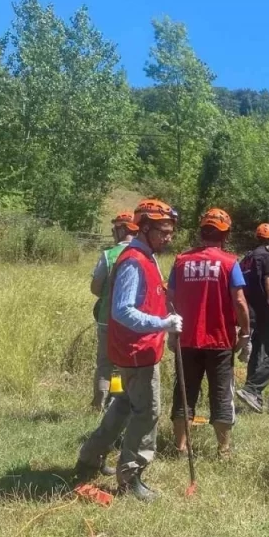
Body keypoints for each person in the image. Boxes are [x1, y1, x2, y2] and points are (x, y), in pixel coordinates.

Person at [75, 199, 182, 501]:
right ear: (145, 228)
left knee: (123, 406)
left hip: (137, 347)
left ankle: (88, 459)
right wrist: (163, 324)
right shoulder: (134, 260)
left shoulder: (146, 256)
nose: (169, 237)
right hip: (137, 351)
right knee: (147, 411)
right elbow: (123, 310)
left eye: (171, 231)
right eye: (163, 231)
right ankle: (130, 477)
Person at [168, 208, 251, 458]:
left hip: (187, 339)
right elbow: (239, 301)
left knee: (185, 391)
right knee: (221, 394)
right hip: (219, 340)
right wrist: (245, 332)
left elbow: (169, 298)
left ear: (202, 231)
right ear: (224, 235)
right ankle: (224, 449)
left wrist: (171, 331)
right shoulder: (229, 263)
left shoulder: (181, 261)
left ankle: (180, 447)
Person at [235, 223, 269, 413]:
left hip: (249, 314)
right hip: (264, 313)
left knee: (257, 354)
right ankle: (251, 389)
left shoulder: (247, 259)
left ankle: (253, 399)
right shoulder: (266, 257)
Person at [89, 212, 139, 410]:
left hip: (106, 320)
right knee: (120, 366)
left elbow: (95, 288)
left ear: (122, 229)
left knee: (104, 364)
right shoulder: (143, 255)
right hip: (131, 322)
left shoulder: (108, 255)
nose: (112, 233)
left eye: (114, 229)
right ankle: (115, 402)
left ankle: (98, 405)